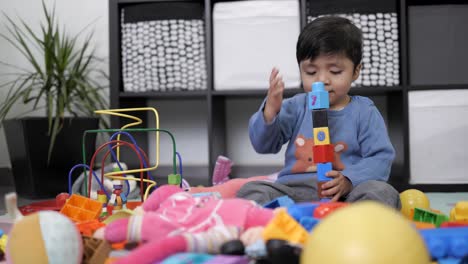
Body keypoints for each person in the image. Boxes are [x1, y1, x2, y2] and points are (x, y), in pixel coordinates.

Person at [236, 16, 400, 208]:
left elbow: (380, 158)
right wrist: (270, 112)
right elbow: (263, 145)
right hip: (295, 191)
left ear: (356, 71)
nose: (321, 79)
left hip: (345, 194)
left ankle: (352, 224)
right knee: (250, 191)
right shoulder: (296, 106)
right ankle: (284, 222)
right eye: (311, 72)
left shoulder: (364, 111)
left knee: (383, 193)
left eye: (335, 71)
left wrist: (348, 180)